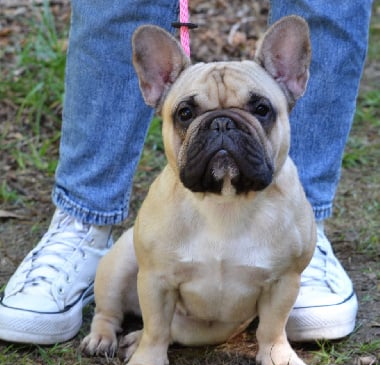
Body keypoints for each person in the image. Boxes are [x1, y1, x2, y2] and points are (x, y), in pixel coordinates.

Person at [0, 0, 372, 345]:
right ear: (155, 87)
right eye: (188, 115)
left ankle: (305, 245)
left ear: (293, 79)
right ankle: (82, 219)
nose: (223, 131)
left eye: (258, 111)